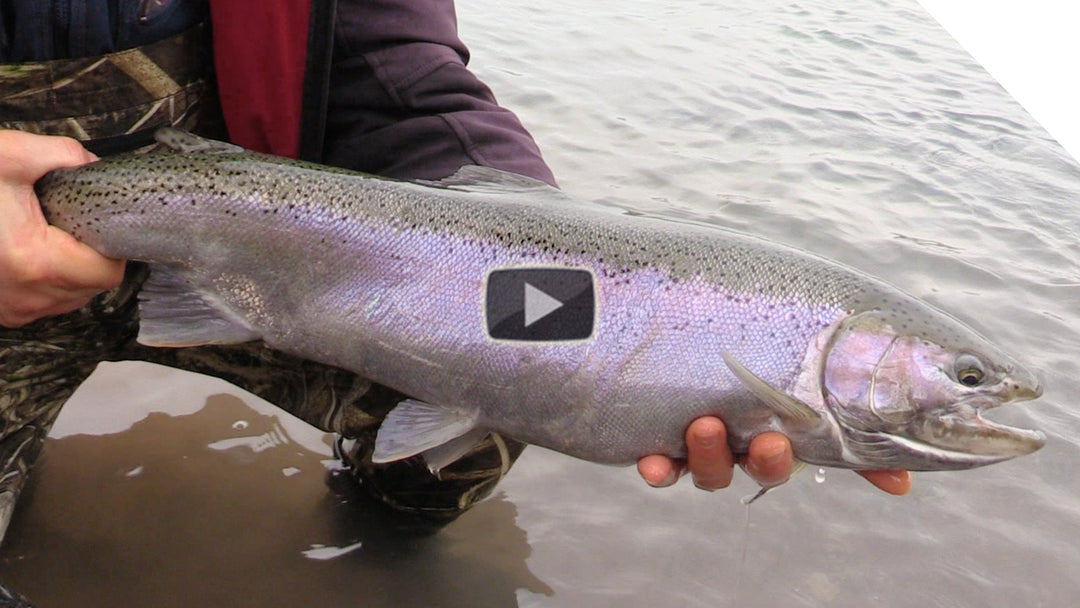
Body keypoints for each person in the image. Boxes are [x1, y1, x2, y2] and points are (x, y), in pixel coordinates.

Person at [0, 0, 909, 531]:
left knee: (512, 377)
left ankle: (382, 527)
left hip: (253, 244)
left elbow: (392, 66)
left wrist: (535, 240)